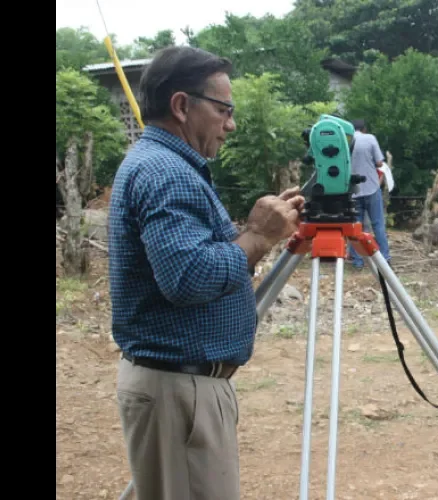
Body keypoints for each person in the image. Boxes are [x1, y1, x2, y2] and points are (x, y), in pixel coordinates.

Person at [107, 46, 305, 500]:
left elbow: (194, 256)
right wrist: (257, 236)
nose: (230, 125)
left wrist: (262, 231)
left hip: (179, 388)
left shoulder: (163, 164)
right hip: (180, 391)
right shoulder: (168, 172)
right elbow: (189, 277)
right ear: (181, 106)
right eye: (223, 110)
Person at [347, 119, 390, 270]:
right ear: (364, 128)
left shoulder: (346, 141)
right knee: (378, 224)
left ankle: (358, 262)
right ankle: (384, 259)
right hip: (371, 187)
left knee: (356, 227)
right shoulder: (370, 138)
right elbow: (379, 162)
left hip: (353, 190)